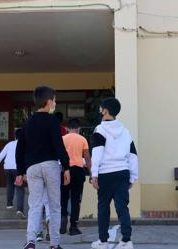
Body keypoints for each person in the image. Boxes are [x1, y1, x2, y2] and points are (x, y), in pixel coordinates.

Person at [15, 85, 71, 249]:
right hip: (50, 165)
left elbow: (20, 148)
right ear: (48, 102)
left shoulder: (28, 122)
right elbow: (58, 145)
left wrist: (20, 171)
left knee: (35, 205)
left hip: (32, 168)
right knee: (54, 205)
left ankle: (30, 241)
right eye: (54, 100)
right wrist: (66, 167)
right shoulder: (53, 121)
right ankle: (54, 244)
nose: (55, 103)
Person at [90, 98, 138, 249]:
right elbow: (133, 155)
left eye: (101, 108)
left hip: (105, 173)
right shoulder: (125, 131)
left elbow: (97, 153)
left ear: (105, 111)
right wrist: (133, 176)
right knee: (122, 207)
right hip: (123, 172)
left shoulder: (100, 130)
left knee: (103, 206)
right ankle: (126, 241)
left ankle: (103, 241)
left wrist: (94, 174)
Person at [60, 118, 91, 236]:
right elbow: (87, 158)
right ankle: (73, 226)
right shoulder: (83, 139)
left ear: (66, 128)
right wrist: (92, 173)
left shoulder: (62, 139)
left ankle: (63, 219)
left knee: (63, 197)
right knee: (75, 199)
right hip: (78, 170)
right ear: (79, 128)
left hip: (64, 170)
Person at [0, 128, 25, 218]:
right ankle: (20, 209)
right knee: (20, 188)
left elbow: (0, 156)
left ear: (15, 136)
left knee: (10, 184)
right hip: (18, 169)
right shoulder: (25, 144)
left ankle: (9, 203)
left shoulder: (9, 144)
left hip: (8, 168)